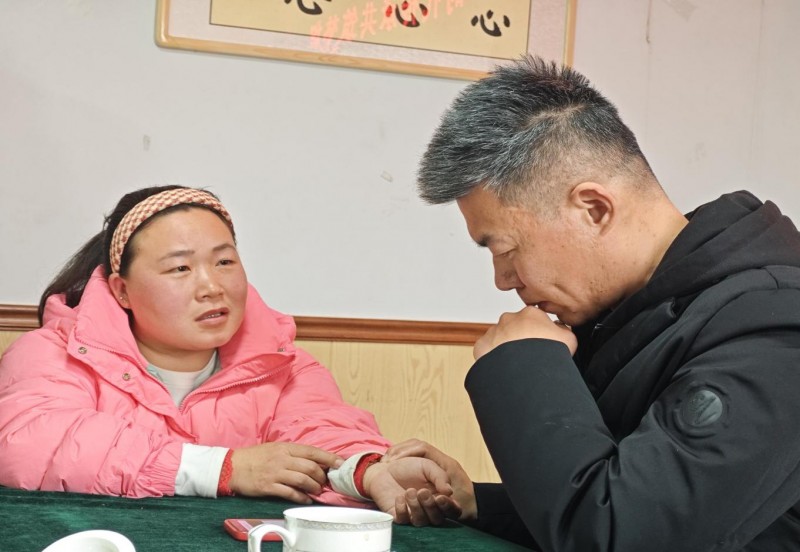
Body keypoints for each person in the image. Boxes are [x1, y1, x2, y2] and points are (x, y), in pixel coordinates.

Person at [386, 56, 800, 550]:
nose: (502, 280)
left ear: (594, 209)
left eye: (506, 249)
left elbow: (621, 538)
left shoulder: (775, 334)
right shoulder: (644, 310)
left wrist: (525, 364)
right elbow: (627, 491)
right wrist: (478, 502)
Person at [0, 185, 452, 516]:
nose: (211, 287)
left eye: (224, 261)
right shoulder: (52, 352)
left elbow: (320, 431)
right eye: (180, 268)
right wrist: (226, 468)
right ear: (121, 290)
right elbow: (30, 444)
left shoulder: (286, 365)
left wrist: (366, 472)